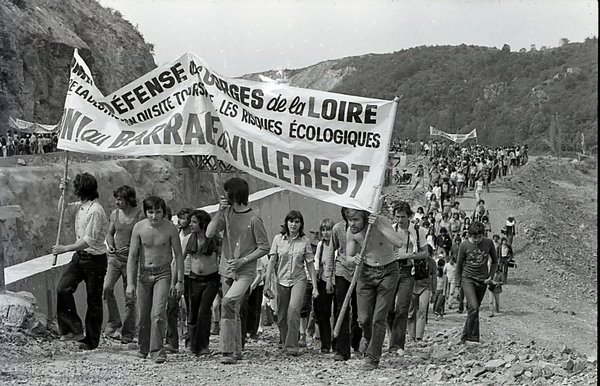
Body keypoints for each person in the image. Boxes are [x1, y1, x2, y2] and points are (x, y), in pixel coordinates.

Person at [206, 177, 270, 364]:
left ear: (233, 194)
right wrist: (219, 211)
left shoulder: (254, 218)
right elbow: (210, 233)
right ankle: (237, 349)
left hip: (245, 271)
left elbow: (264, 246)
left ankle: (226, 351)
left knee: (227, 302)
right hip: (226, 269)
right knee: (232, 310)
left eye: (226, 192)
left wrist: (243, 260)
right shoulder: (227, 215)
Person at [126, 196, 184, 363]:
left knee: (157, 314)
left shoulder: (171, 229)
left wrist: (180, 281)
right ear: (145, 212)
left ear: (163, 212)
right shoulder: (138, 228)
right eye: (150, 212)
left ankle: (157, 350)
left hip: (163, 274)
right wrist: (130, 283)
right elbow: (132, 256)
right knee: (144, 315)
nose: (154, 216)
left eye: (158, 212)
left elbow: (179, 255)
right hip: (143, 275)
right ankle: (144, 347)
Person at [53, 173, 108, 350]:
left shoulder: (95, 211)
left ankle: (91, 341)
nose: (75, 190)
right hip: (80, 257)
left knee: (94, 301)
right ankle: (72, 329)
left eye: (76, 188)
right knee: (63, 288)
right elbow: (62, 210)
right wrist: (64, 193)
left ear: (82, 189)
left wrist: (65, 248)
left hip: (95, 259)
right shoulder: (82, 206)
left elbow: (89, 240)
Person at [346, 208, 404, 371]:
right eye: (350, 220)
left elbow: (398, 242)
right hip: (365, 273)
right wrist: (354, 259)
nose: (352, 223)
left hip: (388, 271)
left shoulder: (381, 221)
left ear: (364, 217)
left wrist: (378, 223)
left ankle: (373, 358)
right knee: (363, 318)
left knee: (379, 317)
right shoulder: (352, 232)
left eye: (356, 220)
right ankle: (370, 339)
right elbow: (348, 257)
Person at [265, 210, 318, 356]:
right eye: (291, 221)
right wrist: (267, 283)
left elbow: (310, 264)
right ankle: (284, 339)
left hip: (298, 279)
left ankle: (292, 346)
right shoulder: (278, 239)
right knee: (281, 315)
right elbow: (272, 262)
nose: (293, 225)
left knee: (294, 310)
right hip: (281, 280)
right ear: (286, 222)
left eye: (297, 222)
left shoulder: (305, 241)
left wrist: (314, 286)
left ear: (301, 224)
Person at [387, 201, 430, 356]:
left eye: (403, 217)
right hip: (391, 270)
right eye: (397, 216)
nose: (400, 220)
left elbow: (425, 253)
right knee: (388, 307)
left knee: (403, 307)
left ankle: (397, 344)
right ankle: (392, 337)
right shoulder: (391, 230)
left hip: (407, 271)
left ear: (409, 216)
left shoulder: (418, 231)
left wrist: (408, 255)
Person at [103, 185, 144, 344]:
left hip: (132, 260)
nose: (116, 202)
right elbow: (109, 233)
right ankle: (114, 322)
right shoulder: (115, 214)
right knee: (107, 288)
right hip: (115, 258)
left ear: (128, 200)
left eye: (119, 199)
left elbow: (142, 237)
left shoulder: (139, 216)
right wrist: (110, 244)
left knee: (130, 297)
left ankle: (128, 332)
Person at [181, 209, 221, 356]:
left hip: (211, 280)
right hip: (193, 279)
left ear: (203, 224)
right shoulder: (188, 239)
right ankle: (192, 343)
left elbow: (222, 258)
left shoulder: (215, 240)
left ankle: (203, 345)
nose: (190, 225)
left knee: (204, 312)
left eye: (194, 222)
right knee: (192, 312)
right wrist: (176, 280)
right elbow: (179, 260)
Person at [325, 208, 363, 361]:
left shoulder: (365, 229)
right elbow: (331, 252)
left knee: (360, 311)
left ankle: (357, 343)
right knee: (341, 309)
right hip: (342, 271)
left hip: (361, 272)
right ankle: (341, 349)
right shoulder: (337, 229)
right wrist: (328, 277)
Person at [455, 221, 498, 344]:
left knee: (474, 309)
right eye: (475, 237)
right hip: (468, 278)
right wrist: (458, 285)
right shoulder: (464, 245)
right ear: (470, 235)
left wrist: (491, 276)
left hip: (483, 280)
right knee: (473, 307)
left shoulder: (488, 243)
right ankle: (472, 338)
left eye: (480, 237)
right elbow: (458, 266)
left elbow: (495, 261)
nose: (477, 240)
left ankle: (464, 337)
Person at [166, 207, 193, 353]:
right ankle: (172, 342)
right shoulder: (175, 234)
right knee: (171, 307)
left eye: (183, 218)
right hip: (174, 273)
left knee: (190, 309)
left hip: (190, 274)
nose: (179, 221)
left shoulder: (194, 236)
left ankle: (190, 341)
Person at [313, 218, 335, 353]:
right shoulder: (321, 245)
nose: (326, 233)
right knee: (322, 312)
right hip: (322, 279)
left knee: (337, 312)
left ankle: (338, 341)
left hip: (336, 280)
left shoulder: (336, 245)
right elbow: (317, 261)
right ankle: (325, 343)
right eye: (323, 230)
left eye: (328, 229)